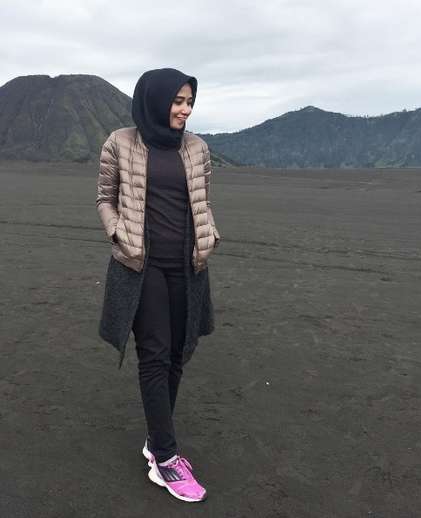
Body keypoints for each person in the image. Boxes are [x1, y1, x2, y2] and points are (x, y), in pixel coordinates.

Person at [96, 68, 221, 503]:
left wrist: (208, 237)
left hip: (187, 265)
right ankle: (166, 458)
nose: (184, 109)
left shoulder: (197, 149)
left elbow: (201, 201)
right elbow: (104, 198)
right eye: (177, 101)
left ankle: (155, 440)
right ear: (155, 100)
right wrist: (117, 233)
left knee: (177, 353)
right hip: (141, 267)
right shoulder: (120, 142)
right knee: (153, 353)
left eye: (189, 102)